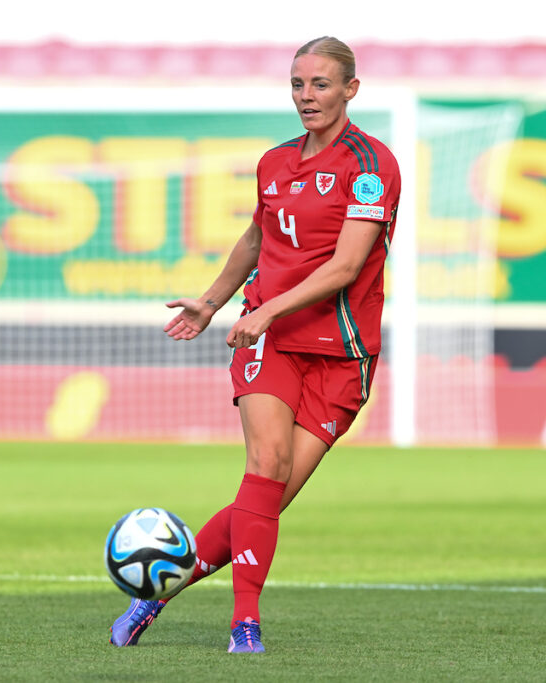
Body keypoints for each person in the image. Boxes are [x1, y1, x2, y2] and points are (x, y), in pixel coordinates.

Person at [109, 35, 401, 654]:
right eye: (298, 84)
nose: (306, 96)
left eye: (320, 84)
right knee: (264, 464)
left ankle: (155, 595)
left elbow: (347, 266)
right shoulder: (274, 162)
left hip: (342, 353)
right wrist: (214, 302)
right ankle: (246, 624)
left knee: (265, 499)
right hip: (268, 339)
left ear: (351, 89)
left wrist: (265, 310)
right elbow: (255, 238)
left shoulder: (372, 166)